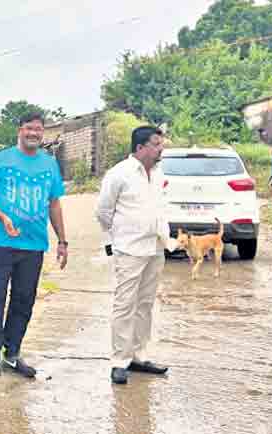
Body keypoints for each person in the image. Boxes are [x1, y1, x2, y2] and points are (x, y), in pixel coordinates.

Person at [96, 126, 177, 384]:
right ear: (140, 147)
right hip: (129, 249)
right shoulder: (119, 174)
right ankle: (119, 361)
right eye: (156, 144)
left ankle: (139, 356)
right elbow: (103, 212)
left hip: (155, 246)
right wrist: (118, 237)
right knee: (125, 304)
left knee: (145, 304)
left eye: (161, 143)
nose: (161, 148)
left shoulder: (158, 173)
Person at [0, 112, 68, 378]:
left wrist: (62, 240)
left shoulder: (49, 164)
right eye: (29, 128)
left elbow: (54, 203)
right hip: (0, 243)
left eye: (38, 129)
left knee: (24, 300)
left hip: (34, 245)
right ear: (20, 130)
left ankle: (12, 354)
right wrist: (3, 217)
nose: (34, 133)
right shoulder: (1, 159)